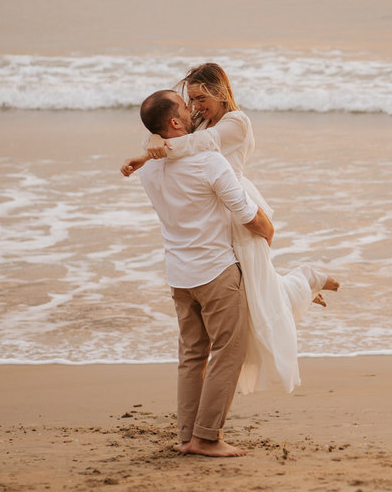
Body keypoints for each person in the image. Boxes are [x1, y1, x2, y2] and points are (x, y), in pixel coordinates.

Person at [122, 63, 338, 394]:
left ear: (220, 91)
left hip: (241, 211)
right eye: (190, 101)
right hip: (216, 215)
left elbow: (195, 145)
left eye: (200, 98)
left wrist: (147, 153)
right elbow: (168, 126)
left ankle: (306, 279)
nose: (194, 107)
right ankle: (305, 286)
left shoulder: (236, 123)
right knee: (257, 294)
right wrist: (152, 138)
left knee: (260, 296)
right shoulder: (201, 120)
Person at [133, 89, 274, 458]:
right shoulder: (209, 162)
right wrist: (268, 232)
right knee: (231, 349)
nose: (193, 109)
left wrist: (153, 138)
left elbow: (160, 142)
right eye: (185, 107)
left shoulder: (148, 167)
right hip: (215, 271)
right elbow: (246, 212)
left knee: (193, 354)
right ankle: (208, 437)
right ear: (176, 123)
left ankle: (186, 436)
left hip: (179, 275)